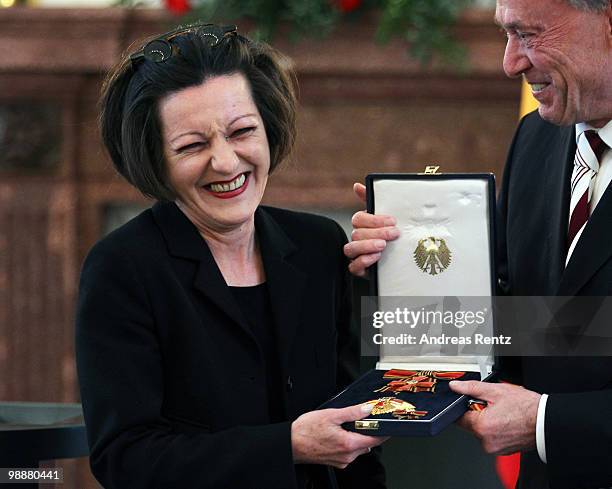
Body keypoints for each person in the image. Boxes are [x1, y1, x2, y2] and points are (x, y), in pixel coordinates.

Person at [75, 23, 387, 489]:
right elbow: (125, 459)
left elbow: (355, 434)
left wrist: (400, 275)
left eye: (242, 131)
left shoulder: (320, 245)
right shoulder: (123, 268)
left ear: (268, 130)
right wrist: (288, 446)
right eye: (192, 146)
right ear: (155, 159)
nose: (225, 162)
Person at [344, 0, 612, 488]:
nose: (510, 63)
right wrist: (402, 276)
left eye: (528, 35)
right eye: (505, 36)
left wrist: (546, 423)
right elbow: (550, 331)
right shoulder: (536, 138)